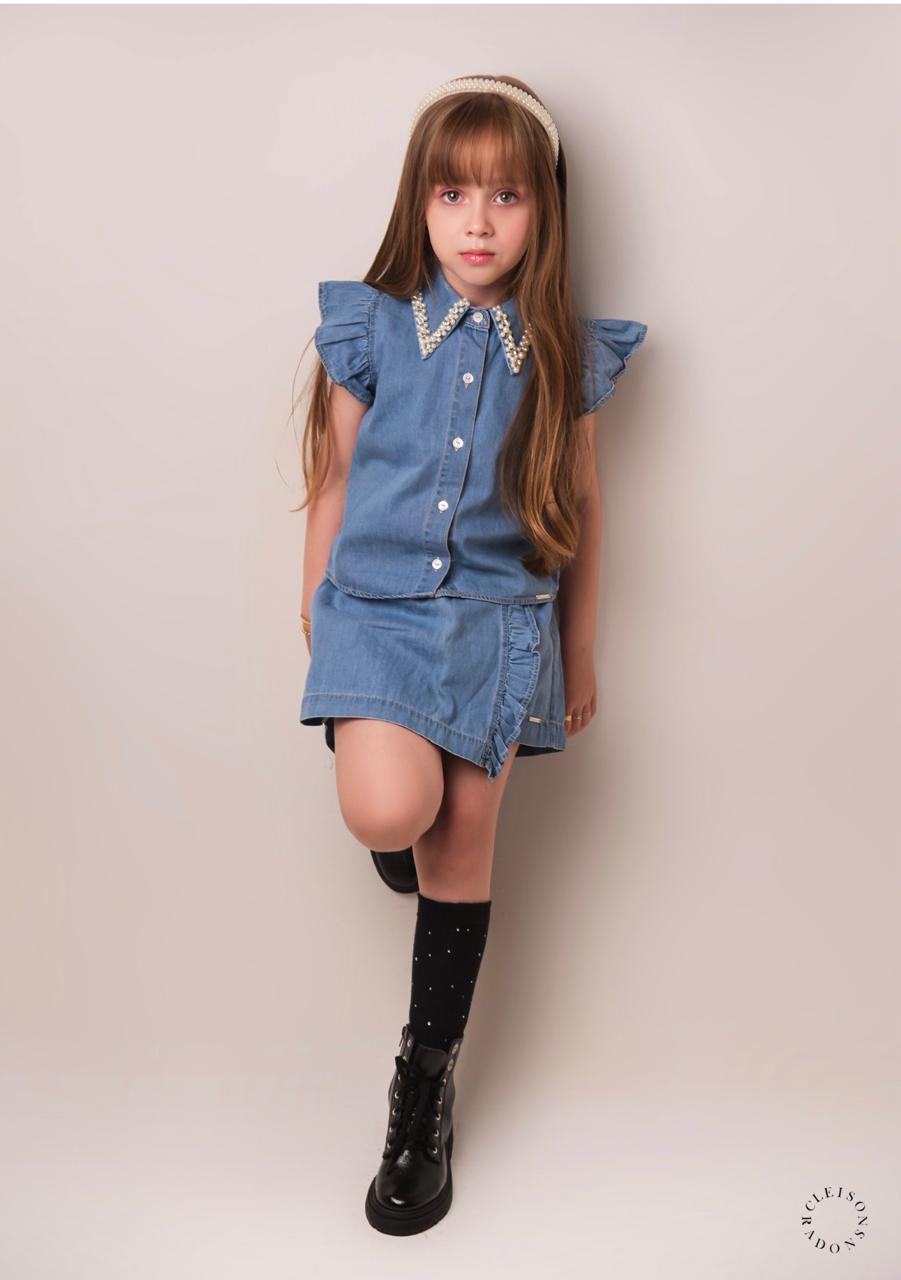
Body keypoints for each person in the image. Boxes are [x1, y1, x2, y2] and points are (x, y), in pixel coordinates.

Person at [292, 74, 648, 1235]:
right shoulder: (372, 327)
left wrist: (578, 649)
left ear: (544, 208)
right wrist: (318, 610)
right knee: (388, 810)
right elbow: (336, 478)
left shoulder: (560, 355)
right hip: (377, 608)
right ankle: (392, 830)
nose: (478, 222)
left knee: (460, 841)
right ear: (420, 202)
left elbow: (582, 509)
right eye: (453, 194)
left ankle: (422, 1088)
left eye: (506, 196)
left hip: (499, 621)